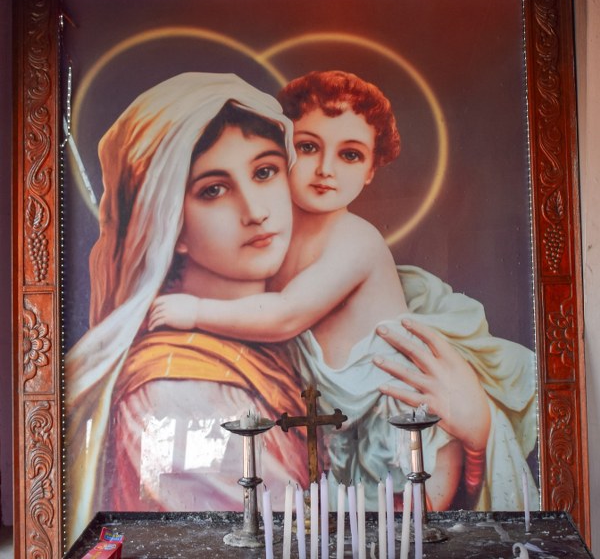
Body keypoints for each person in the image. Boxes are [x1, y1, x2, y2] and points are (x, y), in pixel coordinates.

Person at [147, 71, 537, 511]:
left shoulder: (356, 240)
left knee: (405, 516)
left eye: (349, 155)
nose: (325, 170)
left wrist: (195, 311)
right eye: (308, 147)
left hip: (393, 409)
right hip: (336, 419)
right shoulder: (273, 238)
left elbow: (285, 314)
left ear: (370, 170)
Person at [64, 72, 309, 545]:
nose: (255, 210)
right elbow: (275, 539)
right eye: (213, 189)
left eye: (265, 172)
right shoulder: (175, 389)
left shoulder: (290, 336)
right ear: (168, 223)